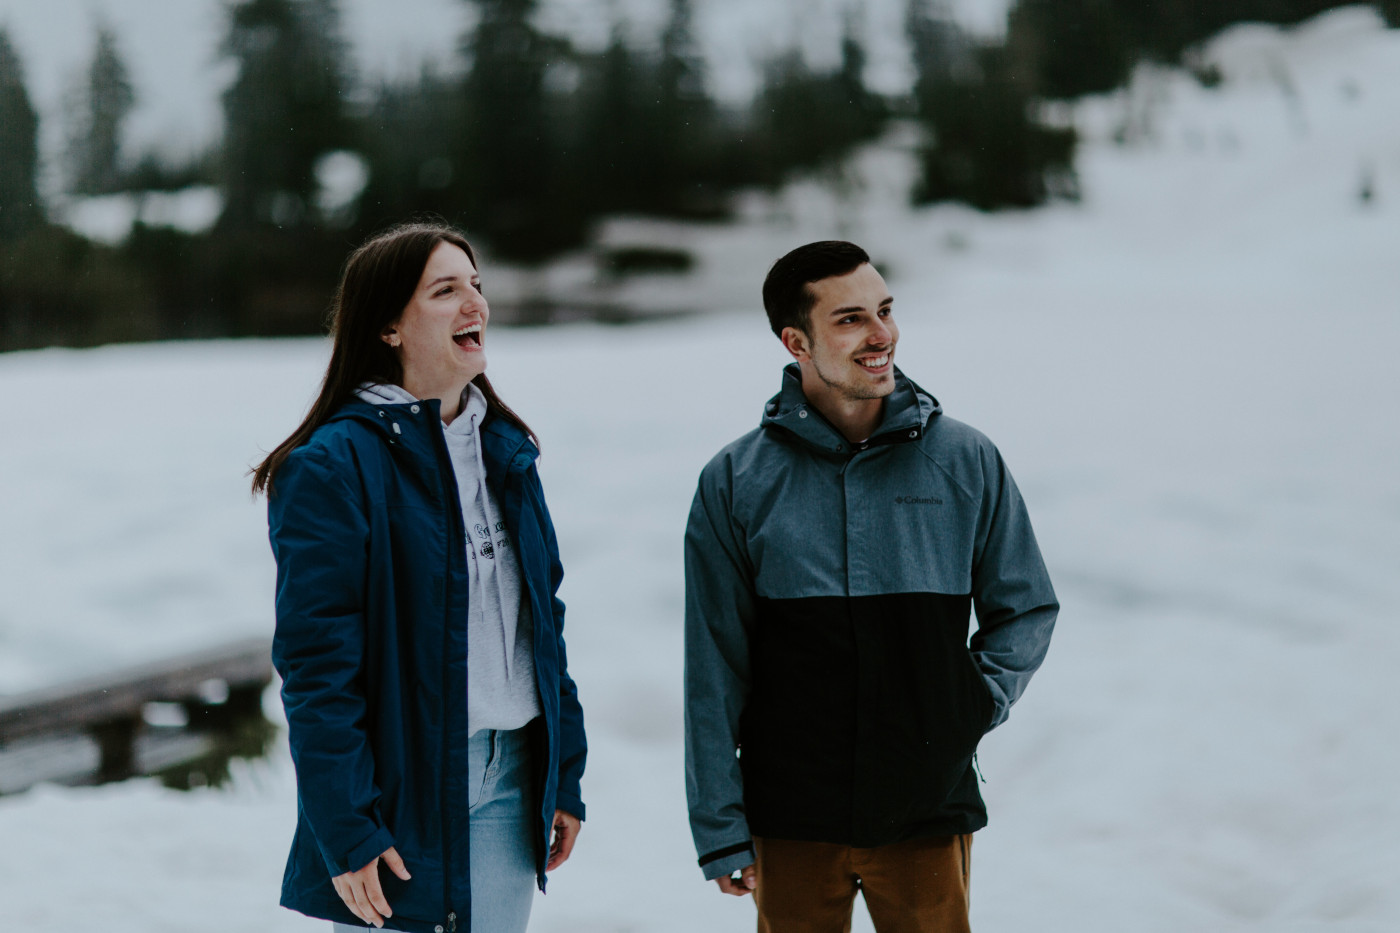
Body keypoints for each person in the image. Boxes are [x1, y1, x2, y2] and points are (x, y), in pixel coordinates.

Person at [683, 240, 1058, 932]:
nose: (881, 334)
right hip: (790, 817)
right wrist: (720, 825)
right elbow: (713, 666)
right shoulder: (735, 482)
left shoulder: (965, 459)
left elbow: (1026, 606)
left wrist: (967, 703)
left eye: (884, 310)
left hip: (925, 808)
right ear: (797, 340)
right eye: (851, 319)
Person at [252, 221, 586, 933]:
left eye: (476, 285)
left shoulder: (507, 450)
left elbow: (543, 621)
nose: (475, 303)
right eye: (445, 290)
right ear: (388, 327)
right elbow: (317, 669)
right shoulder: (331, 465)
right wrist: (346, 827)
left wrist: (564, 770)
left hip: (513, 774)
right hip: (401, 787)